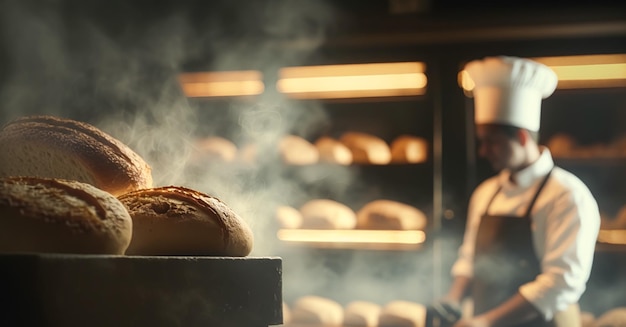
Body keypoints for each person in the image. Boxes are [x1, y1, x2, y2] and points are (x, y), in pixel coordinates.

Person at [428, 56, 601, 327]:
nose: (483, 151)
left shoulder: (567, 195)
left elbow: (561, 283)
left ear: (521, 137)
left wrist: (485, 322)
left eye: (491, 142)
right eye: (481, 141)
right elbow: (470, 258)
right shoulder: (487, 193)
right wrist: (453, 298)